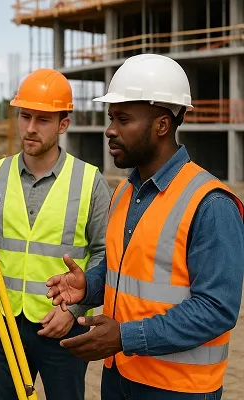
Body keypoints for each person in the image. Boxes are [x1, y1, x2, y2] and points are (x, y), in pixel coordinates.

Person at [46, 53, 244, 399]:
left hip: (179, 388)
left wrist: (124, 337)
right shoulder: (123, 191)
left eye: (123, 119)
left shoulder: (210, 203)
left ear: (162, 125)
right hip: (121, 377)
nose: (110, 130)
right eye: (111, 118)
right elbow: (128, 269)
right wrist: (90, 286)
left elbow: (217, 308)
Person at [0, 68, 112, 400]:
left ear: (64, 124)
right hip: (6, 321)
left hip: (62, 327)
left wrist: (73, 311)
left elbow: (106, 253)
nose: (30, 128)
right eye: (25, 116)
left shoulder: (89, 182)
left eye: (43, 119)